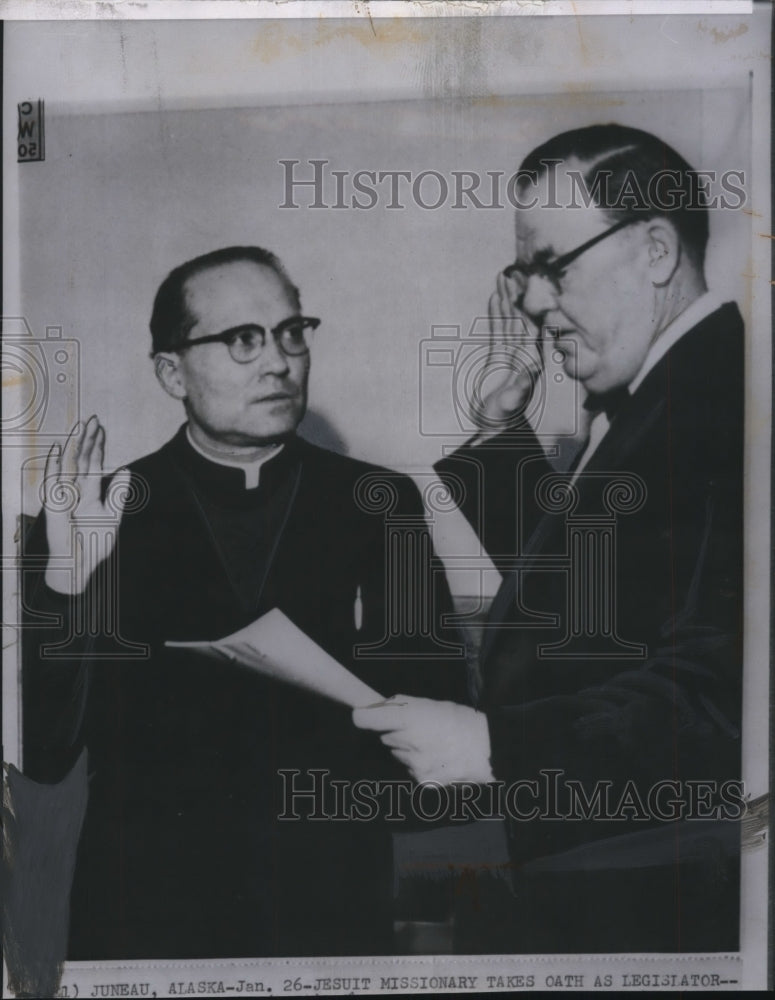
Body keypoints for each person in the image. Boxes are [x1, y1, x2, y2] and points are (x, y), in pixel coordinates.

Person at [354, 124, 744, 953]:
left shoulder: (725, 398)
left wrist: (492, 744)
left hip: (658, 899)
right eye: (522, 274)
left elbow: (722, 698)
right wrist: (501, 432)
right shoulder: (672, 393)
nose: (530, 302)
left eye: (553, 266)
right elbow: (604, 605)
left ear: (653, 249)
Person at [19, 246, 469, 960]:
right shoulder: (96, 511)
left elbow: (441, 727)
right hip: (142, 902)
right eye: (241, 339)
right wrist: (69, 582)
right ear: (172, 372)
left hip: (324, 898)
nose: (278, 362)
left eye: (291, 333)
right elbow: (43, 752)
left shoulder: (379, 503)